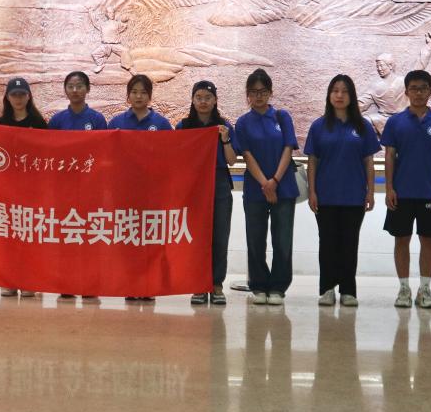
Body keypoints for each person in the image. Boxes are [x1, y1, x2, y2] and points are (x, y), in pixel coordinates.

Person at [381, 69, 431, 310]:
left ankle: (425, 290)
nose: (418, 93)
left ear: (430, 92)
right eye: (414, 88)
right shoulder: (395, 122)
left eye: (423, 89)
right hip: (401, 193)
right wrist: (389, 188)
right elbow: (389, 157)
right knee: (401, 240)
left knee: (429, 241)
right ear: (406, 92)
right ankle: (404, 289)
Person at [304, 74, 380, 307]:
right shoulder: (319, 126)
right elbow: (313, 161)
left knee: (349, 243)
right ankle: (327, 289)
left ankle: (348, 291)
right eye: (335, 91)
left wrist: (370, 192)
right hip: (325, 196)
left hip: (354, 196)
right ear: (329, 95)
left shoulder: (362, 126)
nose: (339, 95)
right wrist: (312, 191)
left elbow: (368, 161)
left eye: (345, 91)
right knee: (327, 243)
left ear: (352, 96)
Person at [235, 69, 300, 306]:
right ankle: (259, 285)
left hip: (284, 188)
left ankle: (278, 287)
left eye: (263, 91)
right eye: (253, 92)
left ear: (270, 92)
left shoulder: (282, 117)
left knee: (282, 240)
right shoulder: (243, 123)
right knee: (255, 240)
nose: (258, 96)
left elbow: (288, 149)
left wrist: (275, 181)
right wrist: (265, 183)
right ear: (248, 95)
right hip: (255, 190)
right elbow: (247, 155)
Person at [108, 74, 172, 301]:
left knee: (151, 238)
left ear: (150, 96)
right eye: (134, 92)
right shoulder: (116, 123)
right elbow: (108, 156)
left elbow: (171, 157)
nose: (138, 96)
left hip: (153, 192)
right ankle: (131, 284)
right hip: (124, 191)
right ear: (128, 95)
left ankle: (150, 285)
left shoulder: (162, 124)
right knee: (128, 238)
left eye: (143, 92)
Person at [177, 81, 238, 306]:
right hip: (193, 185)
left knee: (220, 235)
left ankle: (217, 284)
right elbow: (176, 158)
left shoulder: (224, 126)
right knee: (196, 236)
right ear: (193, 100)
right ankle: (199, 284)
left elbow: (232, 160)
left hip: (219, 183)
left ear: (215, 101)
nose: (203, 102)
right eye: (199, 97)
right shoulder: (183, 126)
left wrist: (225, 140)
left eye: (207, 97)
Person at [48, 70, 106, 301]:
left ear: (88, 89)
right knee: (67, 236)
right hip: (64, 189)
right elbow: (49, 154)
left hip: (91, 188)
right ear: (65, 90)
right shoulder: (57, 120)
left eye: (80, 86)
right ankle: (67, 283)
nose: (75, 90)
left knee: (90, 236)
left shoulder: (98, 120)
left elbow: (104, 154)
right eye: (71, 86)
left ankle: (91, 283)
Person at [0, 77, 48, 297]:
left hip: (32, 190)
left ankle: (30, 280)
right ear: (7, 97)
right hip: (6, 191)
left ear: (28, 96)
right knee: (8, 236)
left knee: (30, 236)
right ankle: (8, 280)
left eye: (22, 94)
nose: (18, 98)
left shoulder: (39, 123)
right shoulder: (0, 123)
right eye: (14, 94)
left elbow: (47, 155)